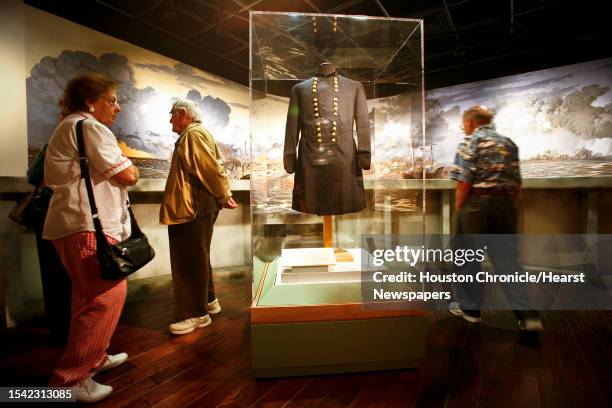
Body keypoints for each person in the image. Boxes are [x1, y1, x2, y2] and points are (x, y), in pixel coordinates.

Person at [43, 74, 140, 402]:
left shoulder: (69, 126)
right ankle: (69, 381)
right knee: (107, 295)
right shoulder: (90, 128)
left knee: (87, 297)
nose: (117, 106)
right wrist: (132, 167)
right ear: (90, 101)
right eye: (111, 100)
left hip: (73, 223)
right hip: (89, 225)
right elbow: (128, 174)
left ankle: (94, 358)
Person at [448, 105, 543, 332]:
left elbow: (464, 182)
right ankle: (527, 317)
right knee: (509, 260)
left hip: (476, 204)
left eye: (464, 125)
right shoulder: (509, 143)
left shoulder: (470, 141)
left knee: (467, 257)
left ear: (470, 123)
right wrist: (508, 206)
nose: (464, 129)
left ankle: (471, 310)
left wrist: (460, 210)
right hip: (506, 203)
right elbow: (517, 183)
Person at [160, 99, 237, 336]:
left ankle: (195, 314)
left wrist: (224, 194)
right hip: (196, 204)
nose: (170, 119)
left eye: (172, 114)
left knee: (188, 259)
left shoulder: (194, 134)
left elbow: (210, 169)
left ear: (183, 114)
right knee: (197, 254)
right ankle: (209, 301)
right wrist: (223, 195)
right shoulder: (194, 134)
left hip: (192, 206)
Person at [27, 142, 72, 345]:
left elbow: (33, 176)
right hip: (71, 215)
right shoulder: (84, 143)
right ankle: (70, 329)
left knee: (52, 273)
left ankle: (59, 329)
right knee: (69, 274)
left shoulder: (52, 144)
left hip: (49, 213)